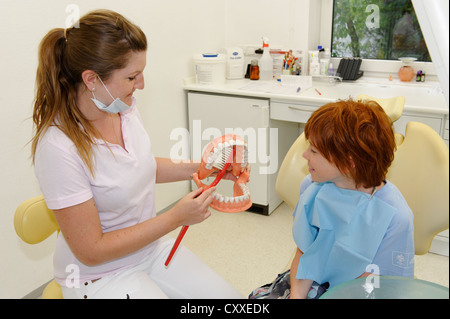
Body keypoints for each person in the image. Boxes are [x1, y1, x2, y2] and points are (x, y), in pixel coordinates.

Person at [31, 9, 243, 299]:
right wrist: (175, 218)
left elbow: (138, 167)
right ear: (92, 79)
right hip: (98, 275)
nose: (141, 84)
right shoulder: (58, 147)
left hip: (149, 249)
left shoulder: (122, 107)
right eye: (132, 76)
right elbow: (91, 251)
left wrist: (203, 166)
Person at [249, 99, 414, 299]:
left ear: (348, 163)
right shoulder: (312, 187)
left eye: (314, 151)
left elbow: (381, 286)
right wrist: (296, 297)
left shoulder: (394, 216)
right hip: (308, 280)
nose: (304, 154)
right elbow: (304, 254)